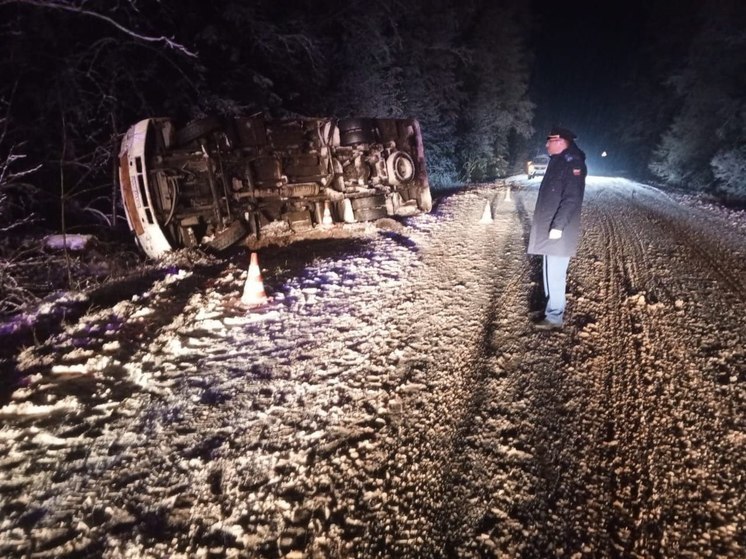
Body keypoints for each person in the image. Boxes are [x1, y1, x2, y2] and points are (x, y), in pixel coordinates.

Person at [527, 126, 587, 330]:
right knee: (548, 270)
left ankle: (554, 317)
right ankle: (550, 308)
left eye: (549, 141)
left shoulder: (573, 163)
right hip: (550, 226)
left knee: (555, 273)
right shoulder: (559, 161)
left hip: (559, 228)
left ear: (560, 142)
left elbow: (572, 199)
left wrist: (558, 226)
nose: (546, 145)